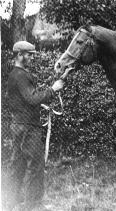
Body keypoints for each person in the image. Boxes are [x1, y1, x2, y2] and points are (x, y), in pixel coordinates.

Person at [5, 41, 64, 211]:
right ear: (19, 55)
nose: (31, 57)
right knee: (36, 164)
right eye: (29, 54)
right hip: (28, 128)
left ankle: (10, 202)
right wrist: (53, 89)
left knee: (18, 164)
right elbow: (32, 99)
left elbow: (21, 100)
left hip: (18, 125)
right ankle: (34, 205)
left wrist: (43, 102)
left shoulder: (14, 74)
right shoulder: (21, 75)